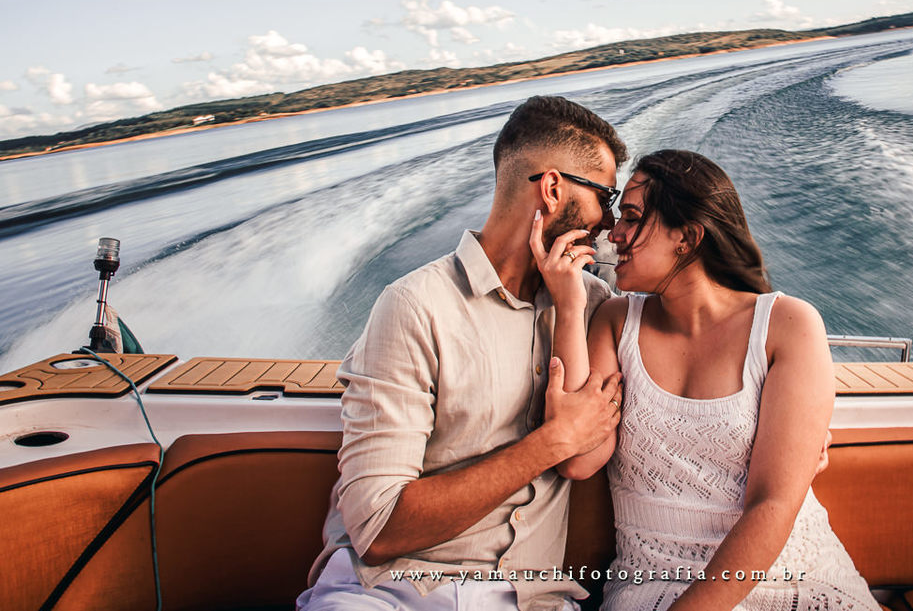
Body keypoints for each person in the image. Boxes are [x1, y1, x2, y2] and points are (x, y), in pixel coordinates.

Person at [297, 95, 629, 611]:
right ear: (552, 188)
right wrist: (551, 441)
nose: (608, 222)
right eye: (604, 197)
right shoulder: (415, 306)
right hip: (390, 591)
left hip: (530, 600)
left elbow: (586, 457)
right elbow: (377, 527)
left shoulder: (594, 308)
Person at [531, 149, 876, 611]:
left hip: (794, 583)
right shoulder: (614, 322)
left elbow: (772, 504)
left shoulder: (787, 326)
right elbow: (578, 460)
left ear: (688, 237)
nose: (613, 233)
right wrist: (570, 306)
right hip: (647, 589)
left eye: (632, 217)